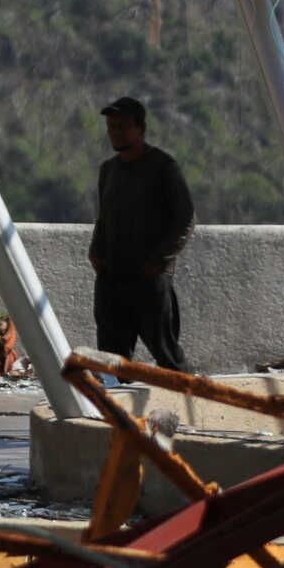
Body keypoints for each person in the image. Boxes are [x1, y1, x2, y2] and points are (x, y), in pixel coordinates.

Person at [88, 96, 195, 370]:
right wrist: (96, 251)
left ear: (141, 129)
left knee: (165, 349)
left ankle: (188, 402)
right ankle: (115, 406)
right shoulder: (108, 170)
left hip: (149, 276)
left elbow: (185, 219)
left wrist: (159, 261)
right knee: (111, 354)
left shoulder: (163, 167)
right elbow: (104, 217)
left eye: (123, 126)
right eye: (112, 127)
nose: (116, 132)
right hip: (112, 275)